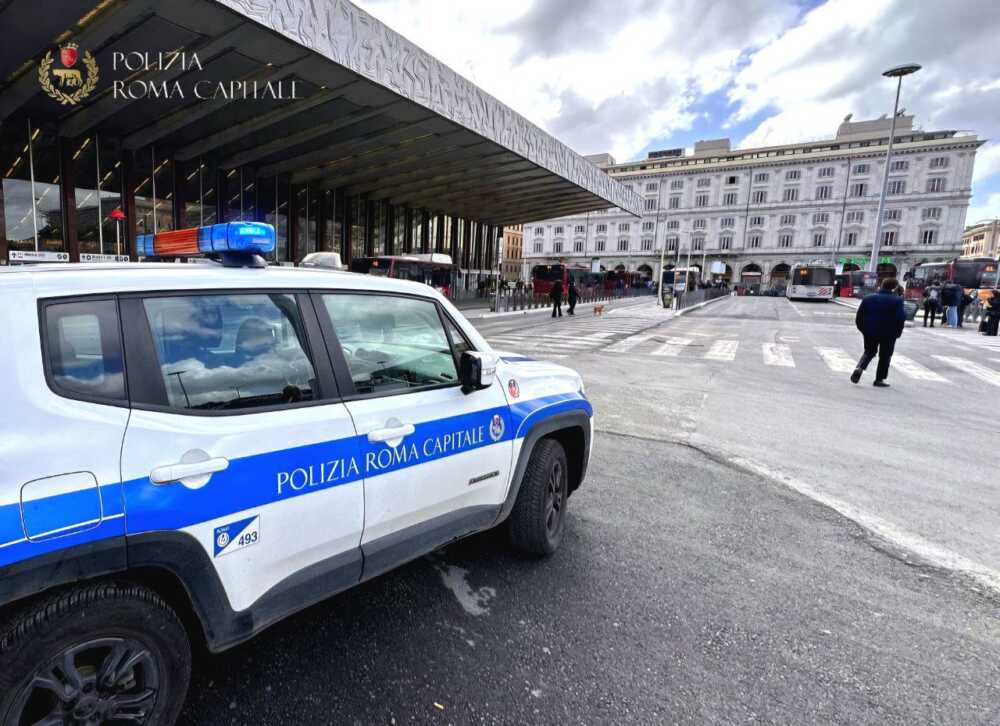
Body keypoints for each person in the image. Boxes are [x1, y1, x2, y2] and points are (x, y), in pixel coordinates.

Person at [851, 277, 906, 388]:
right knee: (885, 355)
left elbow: (859, 316)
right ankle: (879, 379)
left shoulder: (868, 298)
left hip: (870, 331)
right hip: (889, 333)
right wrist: (898, 333)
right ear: (894, 288)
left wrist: (863, 329)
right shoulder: (897, 300)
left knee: (869, 351)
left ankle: (860, 368)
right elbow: (901, 317)